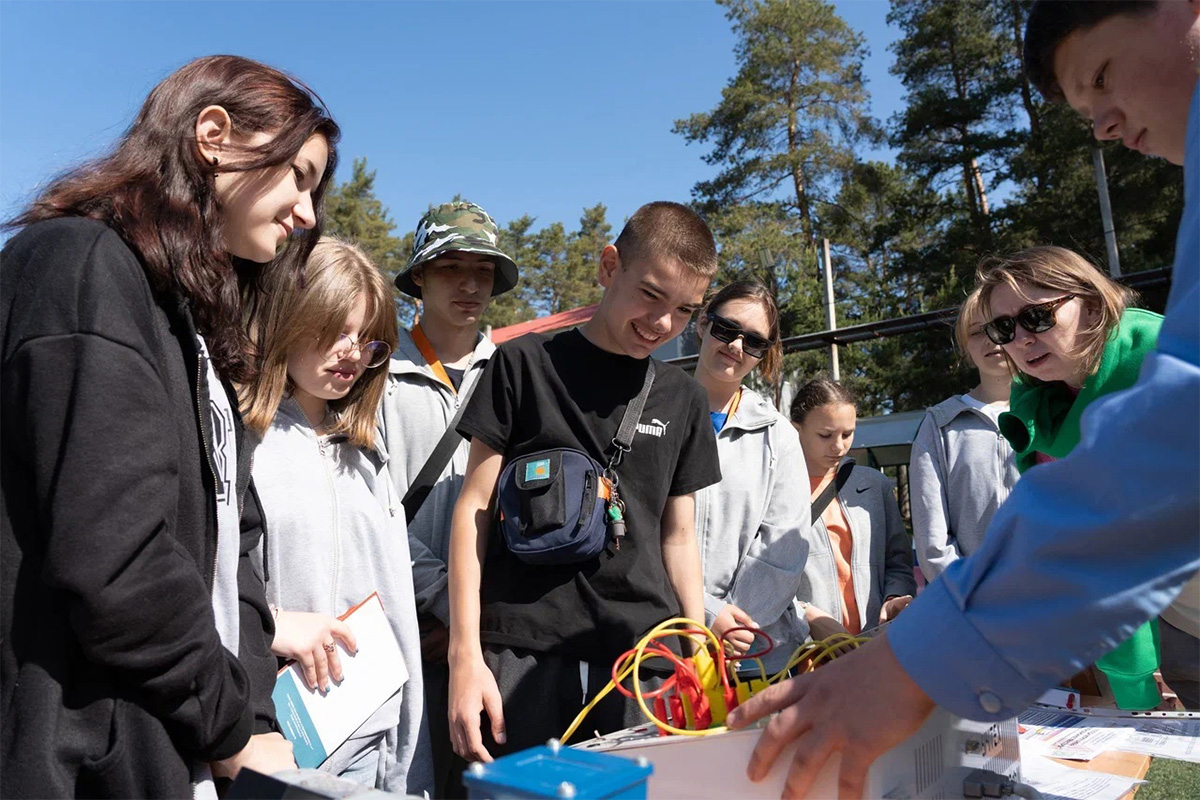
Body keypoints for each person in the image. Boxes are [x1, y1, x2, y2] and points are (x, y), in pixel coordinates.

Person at [726, 2, 1200, 796]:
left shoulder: (1149, 358)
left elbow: (1154, 467)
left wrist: (923, 662)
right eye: (1001, 328)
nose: (1105, 127)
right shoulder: (1017, 420)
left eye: (1102, 78)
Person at [0, 55, 338, 797]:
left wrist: (249, 711)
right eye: (299, 177)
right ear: (213, 135)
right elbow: (115, 563)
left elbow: (223, 553)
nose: (308, 214)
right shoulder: (83, 265)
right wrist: (229, 725)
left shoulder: (180, 319)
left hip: (171, 752)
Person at [446, 201, 722, 770]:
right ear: (609, 265)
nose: (662, 324)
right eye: (650, 294)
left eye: (683, 310)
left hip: (642, 662)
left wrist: (697, 646)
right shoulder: (521, 365)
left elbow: (679, 535)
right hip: (522, 652)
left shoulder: (684, 398)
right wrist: (464, 657)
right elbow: (472, 507)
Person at [239, 237, 432, 794]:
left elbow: (394, 604)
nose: (351, 353)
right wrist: (272, 623)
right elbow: (200, 580)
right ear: (288, 318)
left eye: (368, 341)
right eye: (335, 331)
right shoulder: (241, 445)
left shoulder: (370, 459)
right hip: (272, 740)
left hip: (371, 743)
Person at [980, 245, 1165, 709]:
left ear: (1094, 304)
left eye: (1037, 317)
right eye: (1004, 328)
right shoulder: (1036, 404)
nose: (1020, 339)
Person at [378, 201, 518, 796]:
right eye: (450, 267)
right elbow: (371, 509)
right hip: (399, 634)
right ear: (420, 278)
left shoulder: (518, 374)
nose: (469, 285)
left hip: (494, 642)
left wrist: (477, 623)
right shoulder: (374, 375)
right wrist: (446, 605)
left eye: (483, 271)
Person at [691, 281, 809, 669]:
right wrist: (707, 614)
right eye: (726, 329)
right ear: (701, 324)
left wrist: (735, 626)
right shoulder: (650, 416)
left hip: (753, 656)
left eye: (755, 342)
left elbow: (783, 550)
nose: (737, 347)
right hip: (662, 646)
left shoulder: (779, 436)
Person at [789, 378, 916, 639]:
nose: (839, 446)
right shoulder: (773, 492)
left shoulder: (874, 486)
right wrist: (805, 614)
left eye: (847, 434)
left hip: (875, 647)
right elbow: (760, 579)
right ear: (796, 429)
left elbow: (899, 563)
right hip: (804, 655)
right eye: (825, 435)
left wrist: (894, 597)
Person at [910, 290, 1019, 583]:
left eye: (1001, 325)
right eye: (975, 332)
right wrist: (971, 597)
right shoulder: (941, 425)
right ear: (964, 346)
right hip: (978, 608)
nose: (990, 339)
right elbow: (933, 542)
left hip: (1062, 603)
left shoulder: (1058, 408)